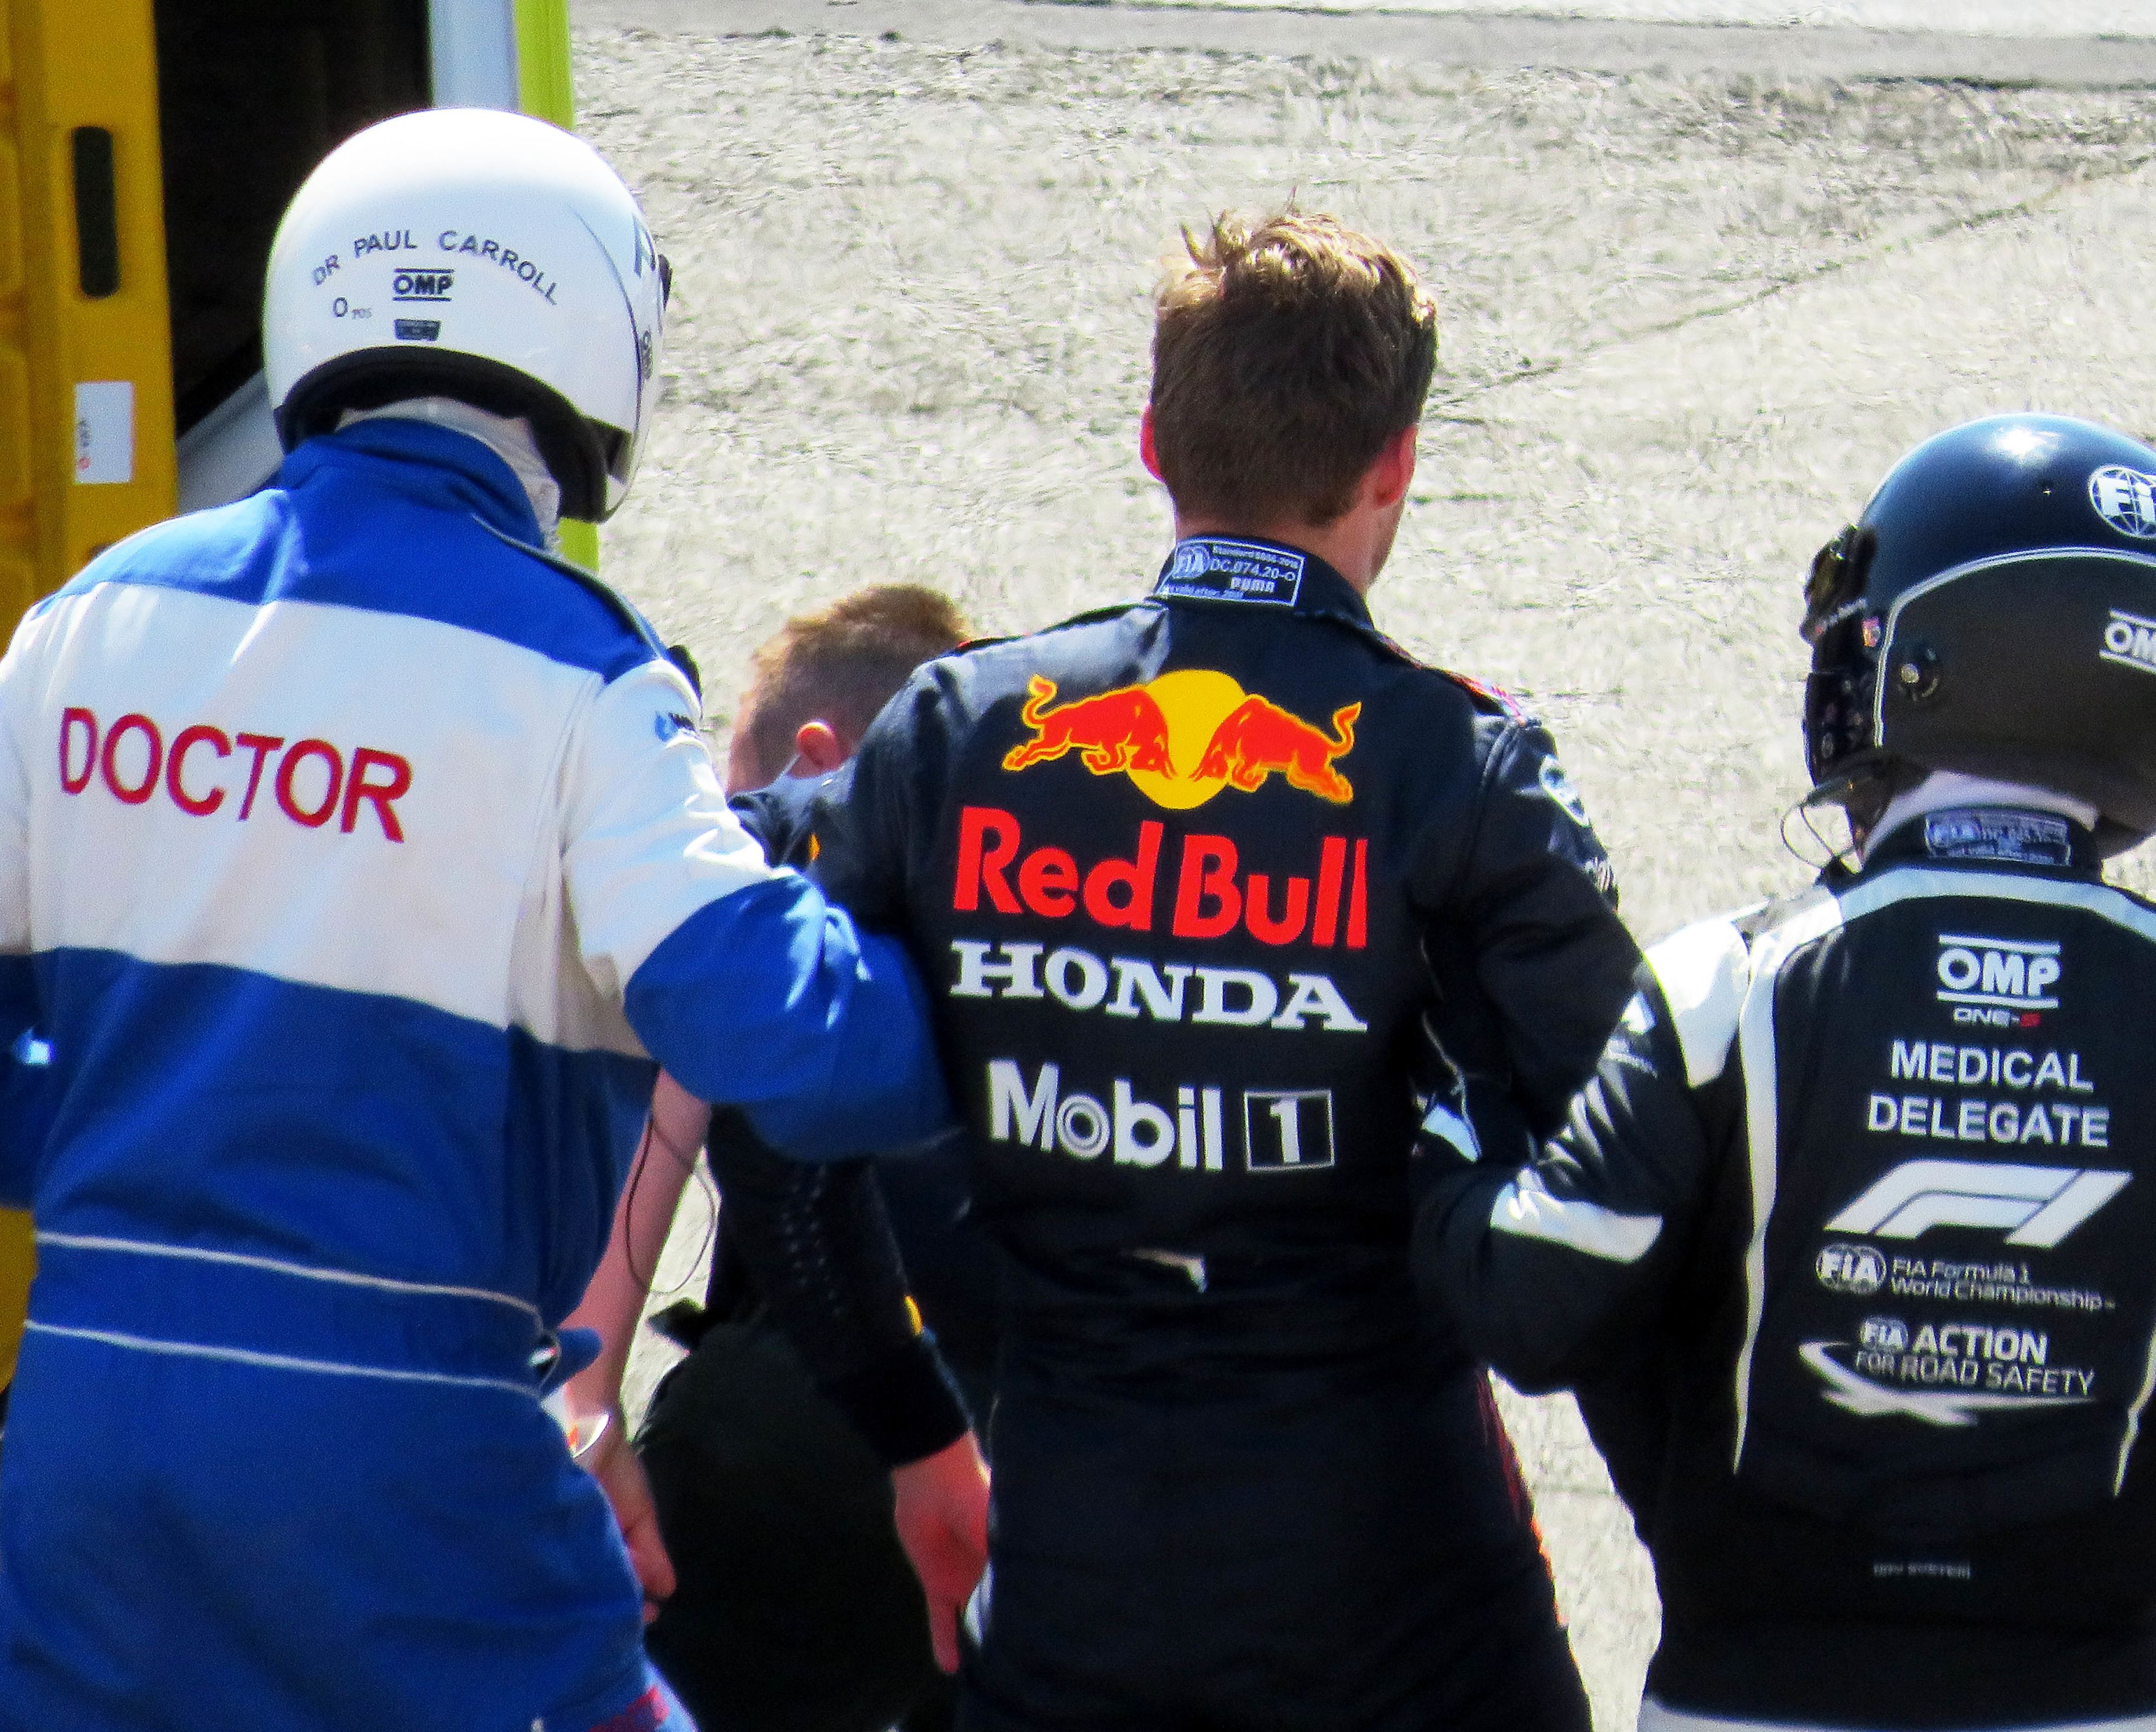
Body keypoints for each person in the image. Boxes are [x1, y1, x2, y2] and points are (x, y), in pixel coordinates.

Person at [0, 109, 963, 1732]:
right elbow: (792, 1040)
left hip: (97, 1441)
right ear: (592, 347)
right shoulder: (578, 671)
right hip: (408, 1451)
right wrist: (982, 970)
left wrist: (158, 1151)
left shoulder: (96, 618)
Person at [797, 210, 1640, 1731]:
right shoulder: (1456, 763)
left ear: (1151, 440)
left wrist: (912, 1430)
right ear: (1394, 463)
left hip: (1067, 1560)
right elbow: (1632, 1164)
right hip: (1400, 1574)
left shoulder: (954, 731)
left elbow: (777, 1114)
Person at [1409, 412, 2156, 1732]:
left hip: (1749, 1699)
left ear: (1947, 657)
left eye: (1861, 637)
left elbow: (1529, 1302)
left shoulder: (1732, 982)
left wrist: (1442, 1131)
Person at [561, 583, 1001, 1732]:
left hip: (816, 1425)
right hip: (1050, 1429)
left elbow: (673, 1101)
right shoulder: (1036, 886)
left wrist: (587, 1390)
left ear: (813, 756)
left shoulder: (784, 862)